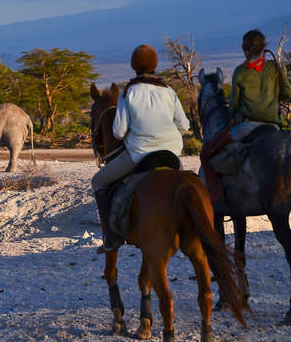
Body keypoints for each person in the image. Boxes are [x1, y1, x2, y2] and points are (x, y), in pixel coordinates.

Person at [92, 44, 189, 253]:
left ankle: (111, 235)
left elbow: (118, 132)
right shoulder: (168, 90)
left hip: (139, 154)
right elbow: (184, 125)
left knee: (98, 181)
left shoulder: (129, 92)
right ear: (155, 64)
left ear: (133, 66)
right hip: (172, 154)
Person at [201, 29, 291, 203]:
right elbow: (287, 91)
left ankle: (217, 200)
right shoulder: (274, 67)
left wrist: (233, 115)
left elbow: (233, 104)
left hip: (247, 126)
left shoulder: (240, 72)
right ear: (262, 48)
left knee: (206, 153)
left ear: (246, 50)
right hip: (274, 126)